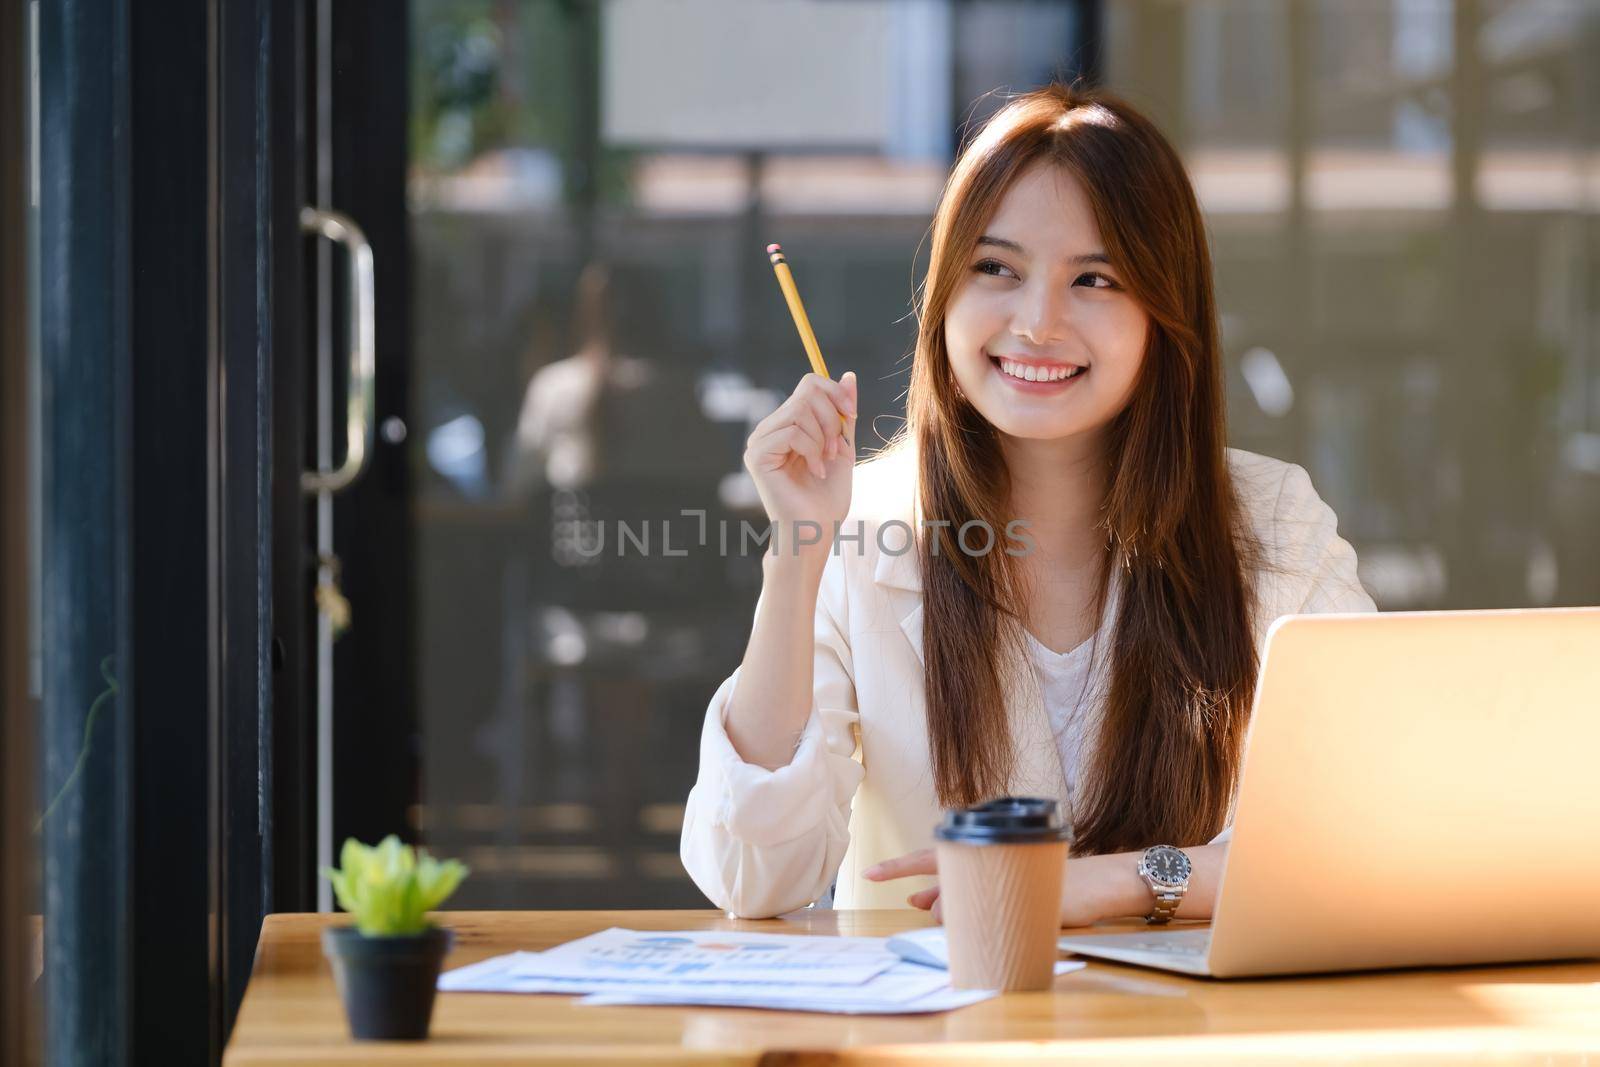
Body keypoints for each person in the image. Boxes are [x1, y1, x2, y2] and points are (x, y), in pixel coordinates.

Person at [679, 83, 1375, 924]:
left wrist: (1106, 882)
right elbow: (753, 877)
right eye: (997, 269)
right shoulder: (858, 525)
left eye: (1096, 278)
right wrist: (796, 553)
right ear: (945, 297)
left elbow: (1359, 834)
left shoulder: (1269, 521)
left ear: (1165, 314)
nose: (1038, 322)